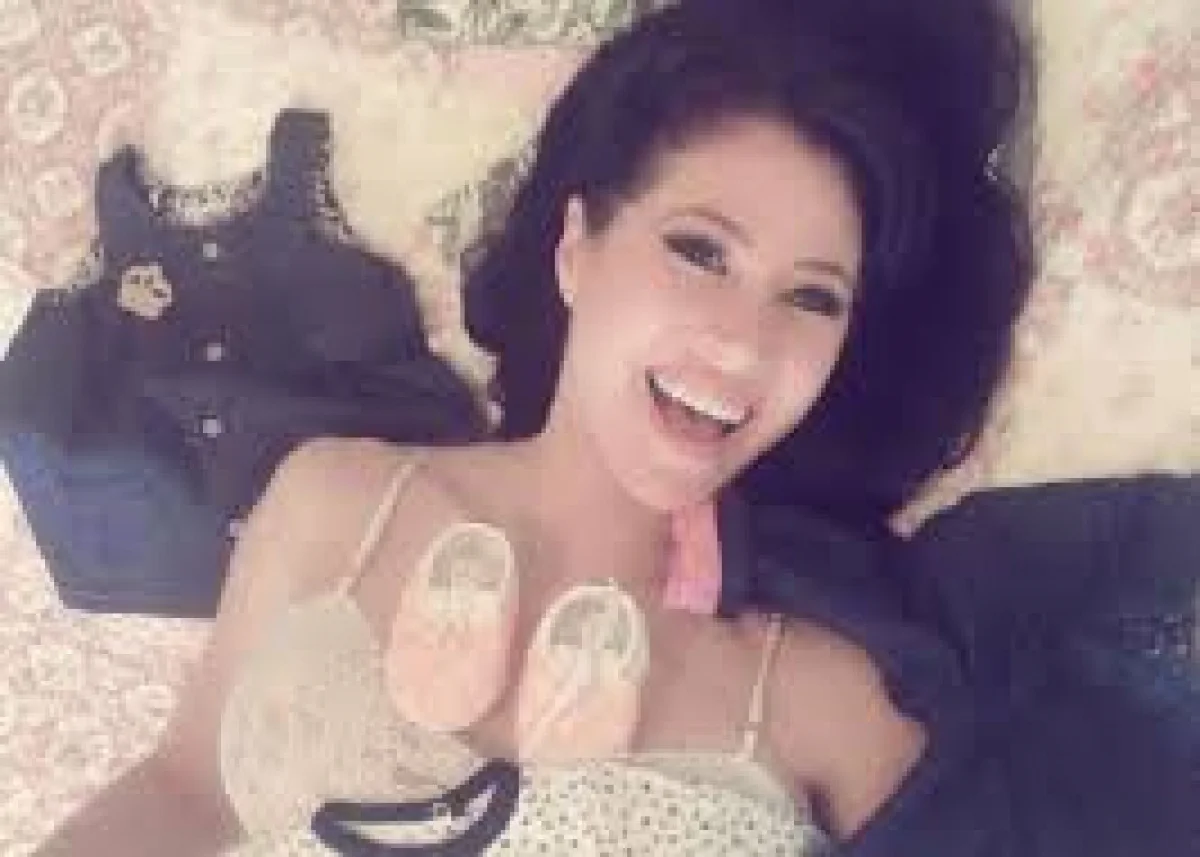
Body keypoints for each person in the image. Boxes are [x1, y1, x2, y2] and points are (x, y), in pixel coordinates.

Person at [36, 0, 1034, 853]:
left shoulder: (837, 703)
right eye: (700, 251)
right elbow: (184, 788)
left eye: (811, 298)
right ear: (576, 246)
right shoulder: (336, 502)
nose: (742, 344)